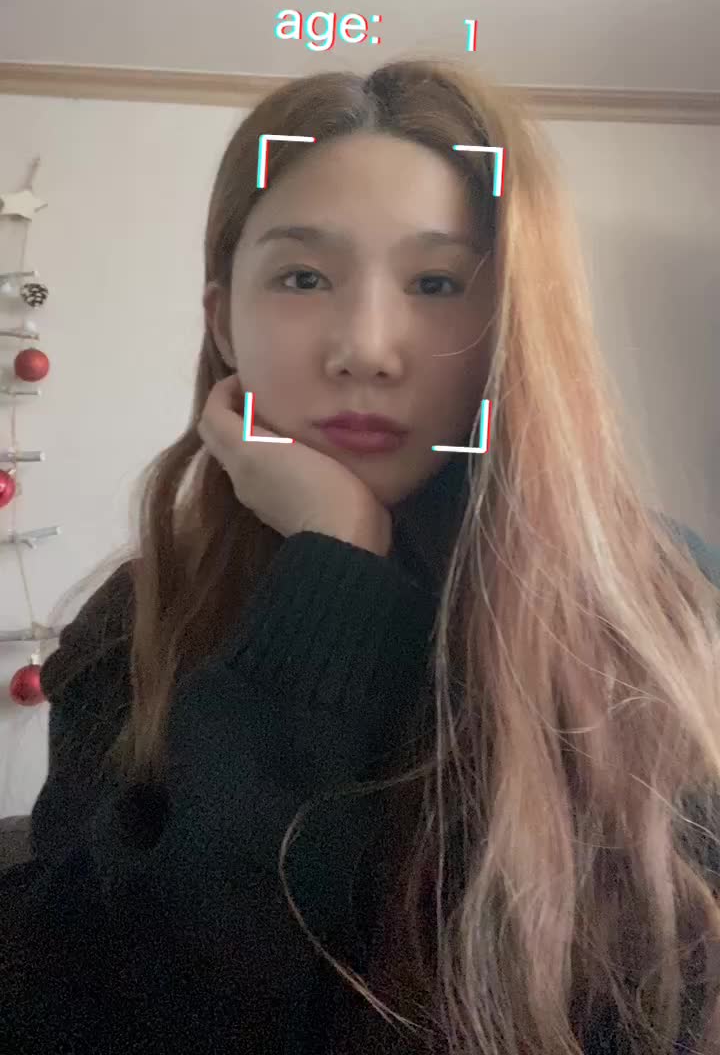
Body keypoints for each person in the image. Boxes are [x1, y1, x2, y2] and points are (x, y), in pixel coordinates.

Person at [1, 58, 719, 1055]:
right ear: (223, 322)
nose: (367, 349)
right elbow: (102, 1006)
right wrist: (331, 570)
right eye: (303, 277)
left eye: (437, 283)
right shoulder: (141, 618)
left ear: (515, 323)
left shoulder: (659, 600)